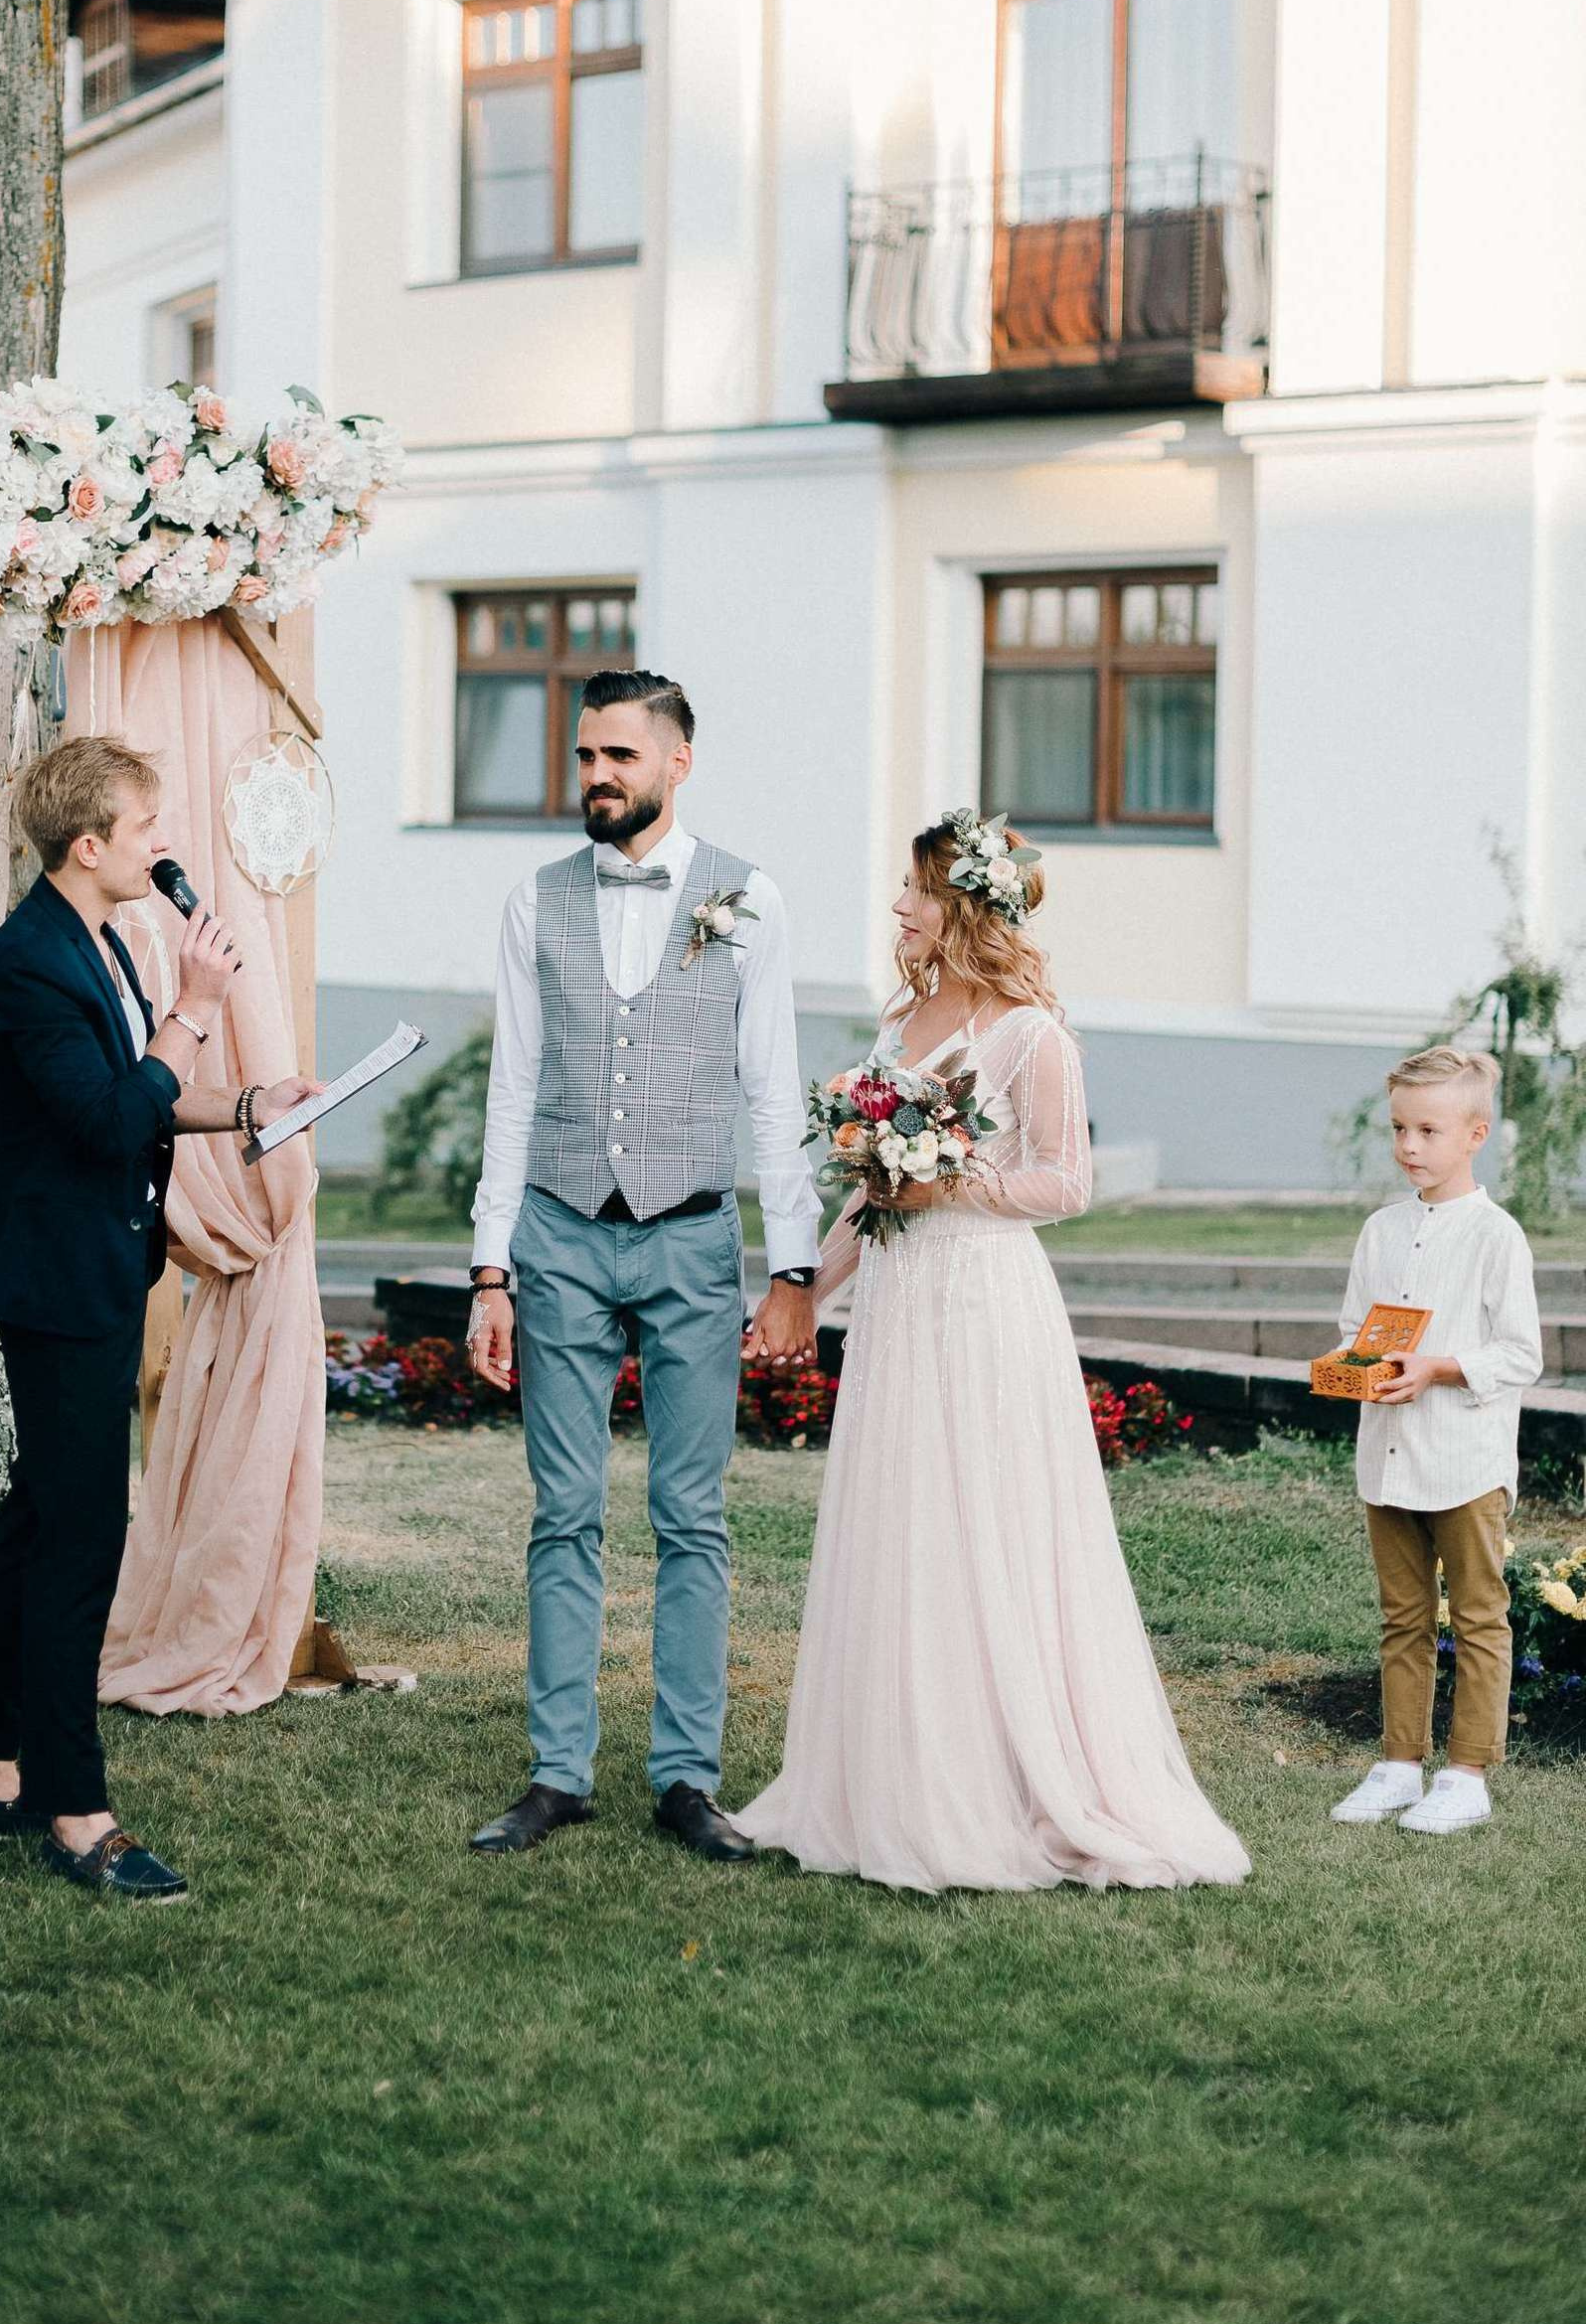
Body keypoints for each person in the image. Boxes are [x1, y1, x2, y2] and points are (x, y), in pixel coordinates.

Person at [736, 813, 1250, 1896]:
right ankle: (895, 1772)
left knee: (986, 1522)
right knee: (904, 1520)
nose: (896, 906)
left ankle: (1009, 1779)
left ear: (963, 902)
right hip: (897, 1302)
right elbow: (871, 1195)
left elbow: (1067, 1182)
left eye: (915, 888)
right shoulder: (903, 1019)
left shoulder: (1030, 1034)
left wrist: (947, 1183)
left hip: (982, 1299)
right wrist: (797, 1296)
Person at [0, 735, 319, 1901]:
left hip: (92, 1262)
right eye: (145, 828)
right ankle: (74, 1806)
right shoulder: (24, 963)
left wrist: (252, 1099)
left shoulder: (93, 935)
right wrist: (197, 1007)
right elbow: (107, 1120)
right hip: (57, 1280)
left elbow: (139, 1093)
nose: (163, 845)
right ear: (88, 845)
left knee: (42, 1513)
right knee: (81, 1538)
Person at [464, 670, 824, 1859]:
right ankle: (556, 1772)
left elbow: (771, 1087)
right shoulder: (534, 901)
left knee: (691, 1515)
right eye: (582, 756)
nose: (595, 776)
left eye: (618, 754)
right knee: (562, 1512)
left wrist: (793, 1264)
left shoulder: (748, 897)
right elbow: (510, 1088)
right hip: (559, 1234)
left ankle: (684, 1776)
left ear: (676, 761)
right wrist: (489, 1269)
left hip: (688, 1232)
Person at [1328, 1045, 1541, 1837]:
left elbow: (1522, 1354)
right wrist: (1356, 1369)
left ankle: (1466, 1773)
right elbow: (1356, 1331)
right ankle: (1396, 1763)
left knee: (1480, 1615)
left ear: (1475, 1134)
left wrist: (1438, 1368)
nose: (1408, 1146)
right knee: (1402, 1616)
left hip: (1466, 1459)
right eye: (1398, 1129)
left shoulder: (1496, 1236)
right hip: (1388, 1456)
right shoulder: (1381, 1229)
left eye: (1427, 1130)